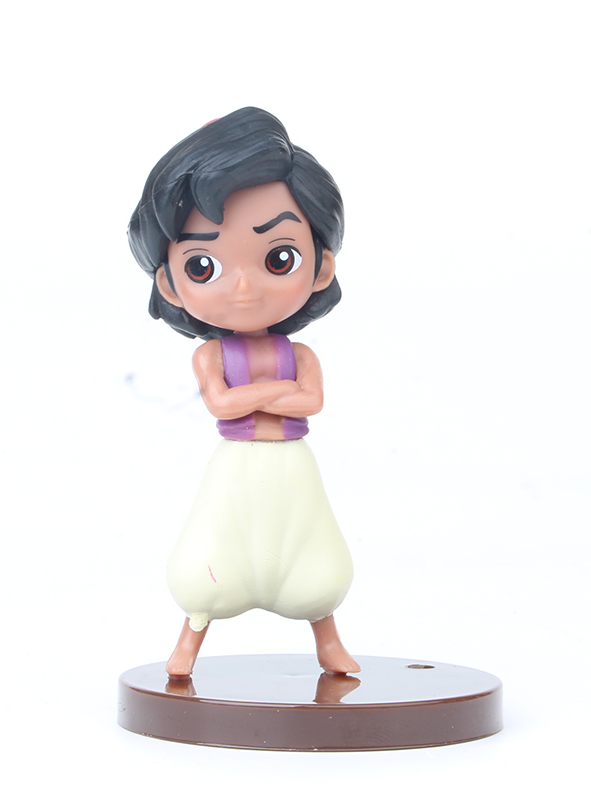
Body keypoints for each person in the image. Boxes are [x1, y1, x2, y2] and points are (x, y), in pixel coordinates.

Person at [128, 108, 359, 678]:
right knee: (214, 553)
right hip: (235, 467)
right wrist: (278, 394)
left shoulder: (300, 354)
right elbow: (223, 404)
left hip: (291, 467)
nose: (245, 286)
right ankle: (186, 647)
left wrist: (257, 396)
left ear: (321, 267)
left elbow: (310, 402)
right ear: (169, 284)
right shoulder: (212, 355)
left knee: (312, 551)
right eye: (203, 266)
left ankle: (328, 643)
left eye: (279, 258)